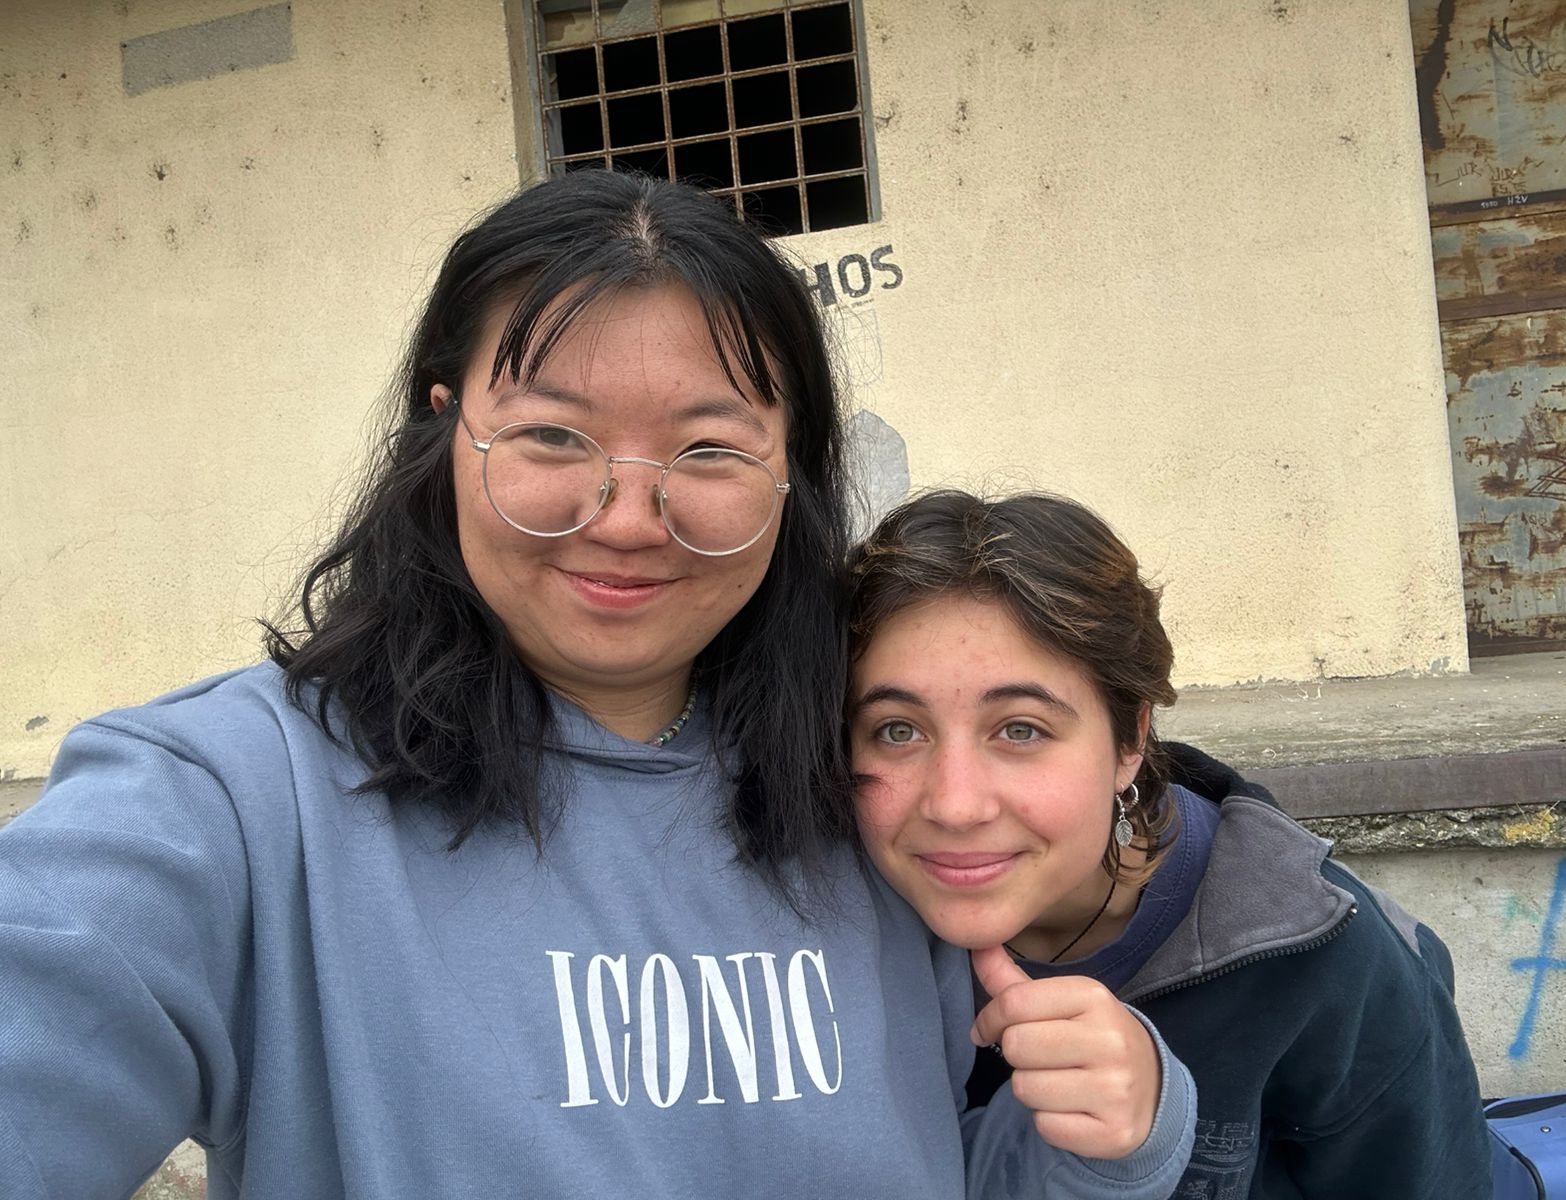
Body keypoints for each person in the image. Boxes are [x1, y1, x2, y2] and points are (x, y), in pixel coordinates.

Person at [0, 173, 1196, 1199]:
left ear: (790, 473)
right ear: (445, 432)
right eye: (552, 437)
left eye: (709, 450)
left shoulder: (864, 786)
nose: (626, 517)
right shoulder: (237, 802)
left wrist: (1116, 1133)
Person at [845, 489, 1496, 1199]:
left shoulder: (1319, 954)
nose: (954, 804)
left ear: (1130, 740)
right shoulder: (816, 945)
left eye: (1021, 729)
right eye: (898, 731)